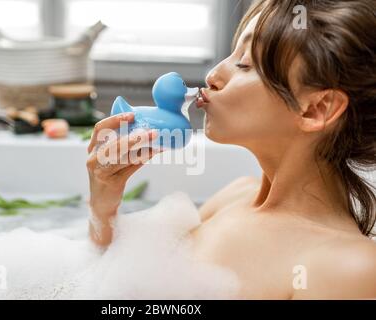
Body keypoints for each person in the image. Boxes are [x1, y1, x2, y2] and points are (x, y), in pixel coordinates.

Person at [86, 0, 376, 299]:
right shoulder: (234, 197)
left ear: (316, 109)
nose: (213, 75)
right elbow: (113, 277)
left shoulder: (348, 267)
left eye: (245, 63)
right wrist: (103, 203)